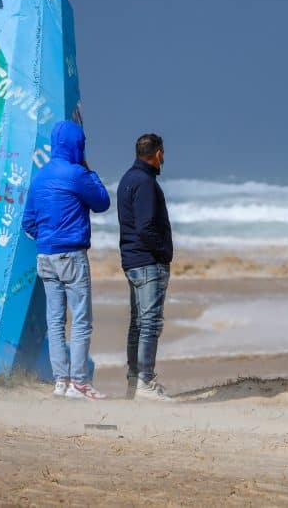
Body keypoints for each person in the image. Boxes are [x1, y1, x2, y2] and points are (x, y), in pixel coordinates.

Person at [23, 120, 111, 400]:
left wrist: (46, 239)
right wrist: (88, 169)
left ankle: (60, 381)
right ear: (78, 145)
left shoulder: (39, 177)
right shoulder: (76, 174)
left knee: (55, 321)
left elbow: (28, 222)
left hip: (45, 255)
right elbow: (102, 202)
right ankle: (80, 383)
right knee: (81, 319)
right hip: (71, 255)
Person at [117, 133, 173, 401]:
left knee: (138, 324)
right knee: (149, 323)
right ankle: (145, 382)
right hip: (148, 262)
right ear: (158, 154)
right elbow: (145, 227)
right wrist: (164, 253)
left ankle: (134, 381)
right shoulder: (145, 182)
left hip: (133, 260)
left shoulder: (128, 179)